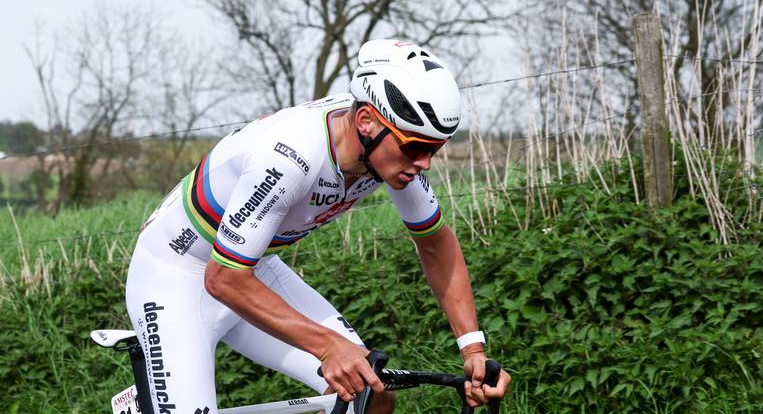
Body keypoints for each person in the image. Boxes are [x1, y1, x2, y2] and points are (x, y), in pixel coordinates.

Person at [126, 39, 511, 414]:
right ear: (365, 122)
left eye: (434, 149)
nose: (424, 163)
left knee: (369, 393)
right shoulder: (290, 156)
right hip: (175, 275)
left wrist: (472, 348)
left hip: (250, 269)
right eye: (415, 147)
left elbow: (436, 244)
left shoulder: (384, 154)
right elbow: (223, 278)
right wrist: (327, 346)